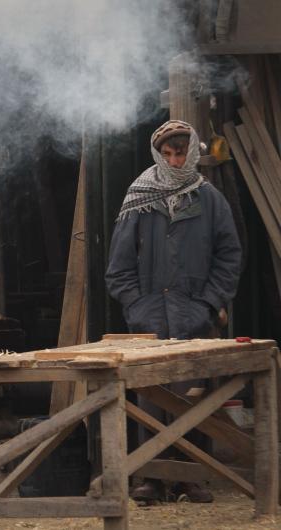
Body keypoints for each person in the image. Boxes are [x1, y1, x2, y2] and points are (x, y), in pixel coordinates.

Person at [105, 120, 242, 503]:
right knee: (150, 397)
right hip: (150, 320)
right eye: (168, 153)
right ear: (158, 154)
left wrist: (208, 303)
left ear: (193, 151)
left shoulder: (210, 199)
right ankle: (149, 479)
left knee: (194, 397)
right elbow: (117, 268)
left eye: (181, 152)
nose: (175, 159)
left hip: (193, 317)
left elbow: (229, 256)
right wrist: (138, 307)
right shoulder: (139, 197)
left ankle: (190, 479)